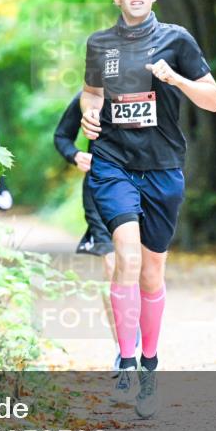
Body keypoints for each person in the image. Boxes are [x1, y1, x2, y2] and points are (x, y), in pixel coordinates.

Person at [79, 0, 216, 419]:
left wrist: (175, 79)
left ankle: (150, 366)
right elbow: (91, 92)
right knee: (128, 256)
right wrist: (90, 112)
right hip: (113, 163)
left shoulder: (177, 40)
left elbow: (213, 100)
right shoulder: (100, 44)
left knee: (152, 273)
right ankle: (124, 358)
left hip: (162, 167)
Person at [53, 93, 139, 374]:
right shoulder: (88, 98)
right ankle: (123, 351)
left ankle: (139, 334)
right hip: (100, 189)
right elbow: (62, 136)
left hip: (140, 185)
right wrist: (75, 154)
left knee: (140, 266)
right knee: (113, 265)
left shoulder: (143, 93)